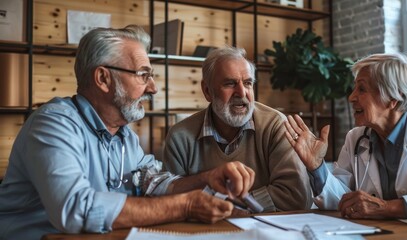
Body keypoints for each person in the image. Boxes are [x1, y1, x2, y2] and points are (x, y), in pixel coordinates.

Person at [0, 25, 255, 239]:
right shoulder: (53, 124)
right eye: (143, 75)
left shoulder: (124, 136)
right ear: (103, 79)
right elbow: (75, 209)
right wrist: (186, 205)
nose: (153, 88)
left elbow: (153, 182)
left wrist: (207, 178)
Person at [285, 53, 407, 224]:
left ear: (394, 98)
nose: (351, 97)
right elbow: (342, 201)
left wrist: (388, 208)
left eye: (362, 89)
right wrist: (316, 166)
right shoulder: (356, 138)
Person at [162, 46, 312, 212]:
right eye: (230, 83)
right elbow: (170, 198)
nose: (241, 93)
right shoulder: (180, 137)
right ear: (207, 91)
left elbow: (296, 197)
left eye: (248, 83)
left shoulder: (276, 125)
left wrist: (223, 203)